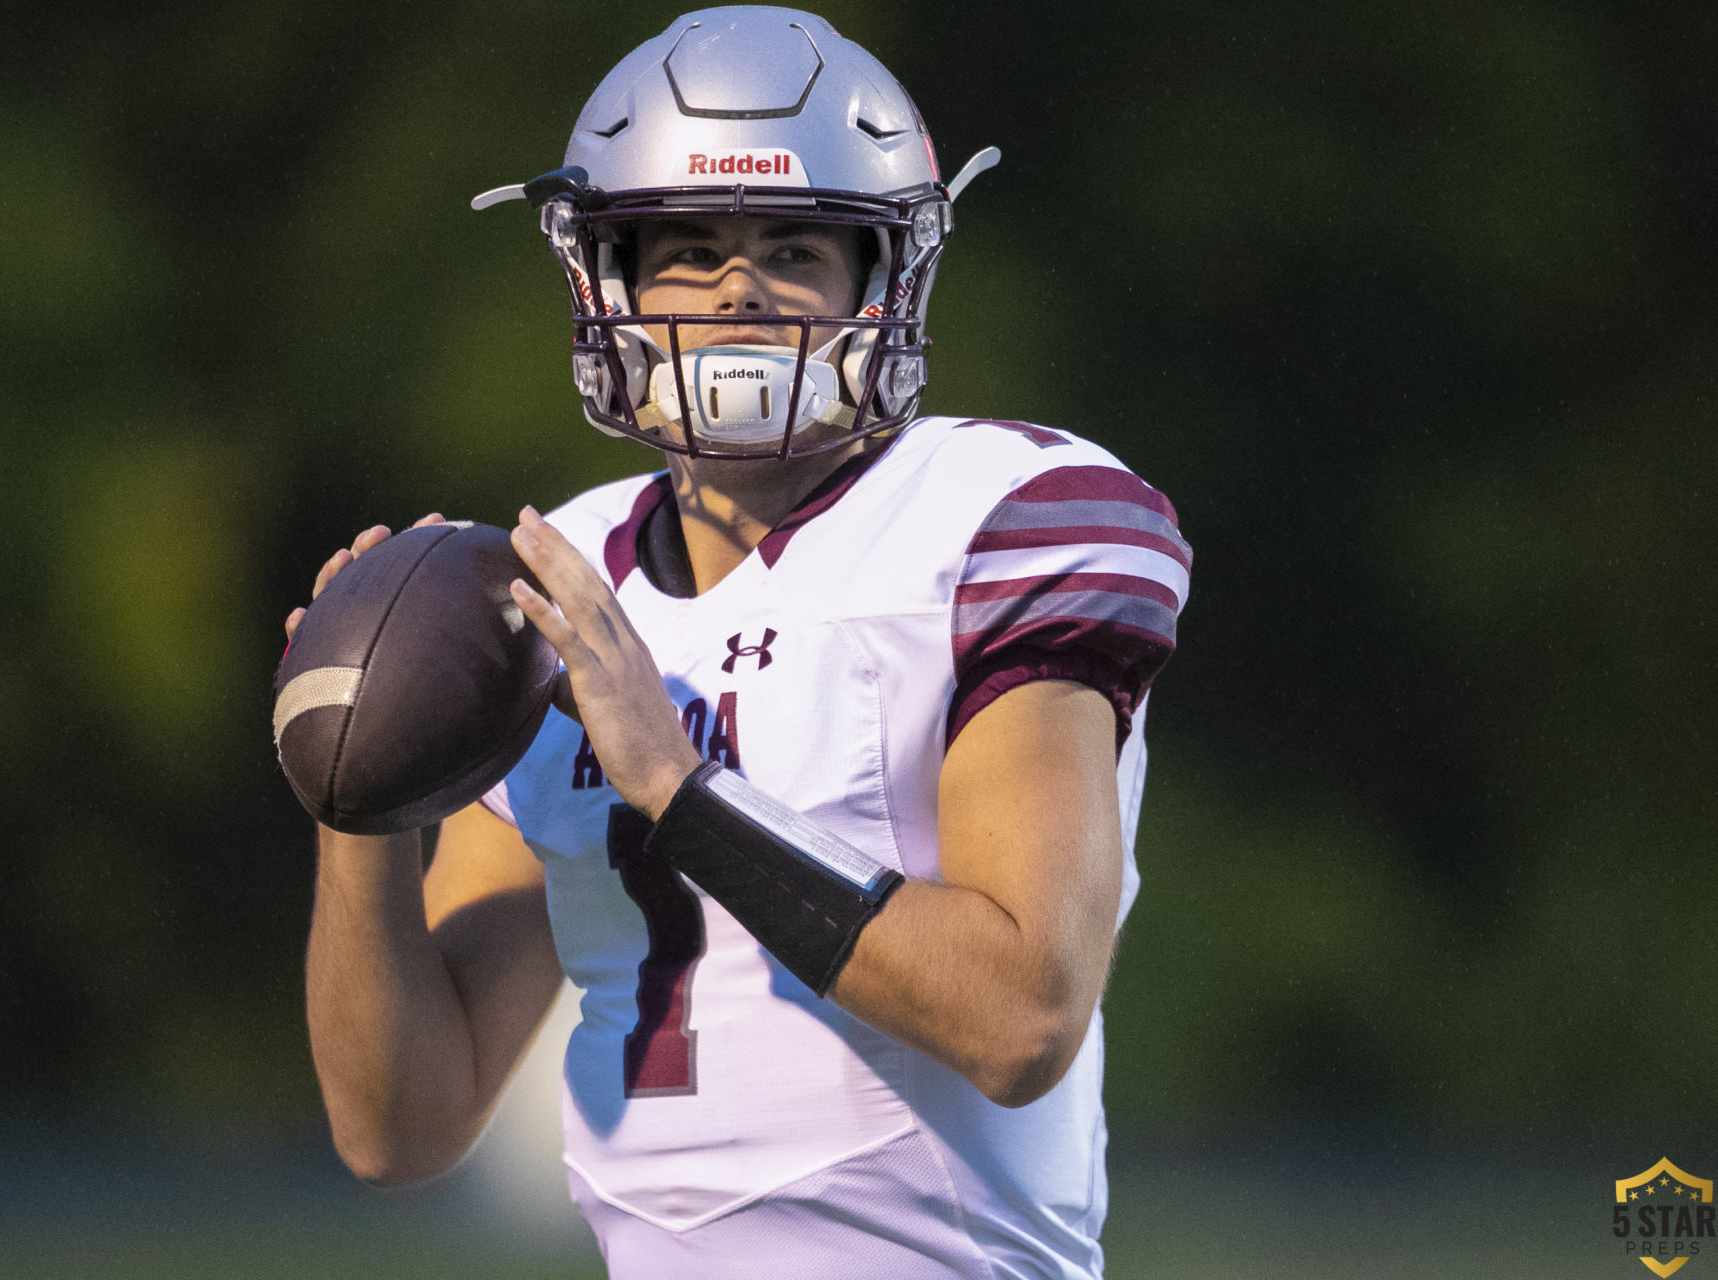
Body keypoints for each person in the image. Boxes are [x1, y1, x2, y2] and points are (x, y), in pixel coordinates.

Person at [290, 9, 1189, 1277]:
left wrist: (677, 785)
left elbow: (1020, 1015)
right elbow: (401, 1123)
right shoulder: (552, 583)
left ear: (882, 278)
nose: (738, 286)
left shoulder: (995, 518)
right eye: (690, 246)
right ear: (608, 279)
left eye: (793, 245)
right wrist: (355, 782)